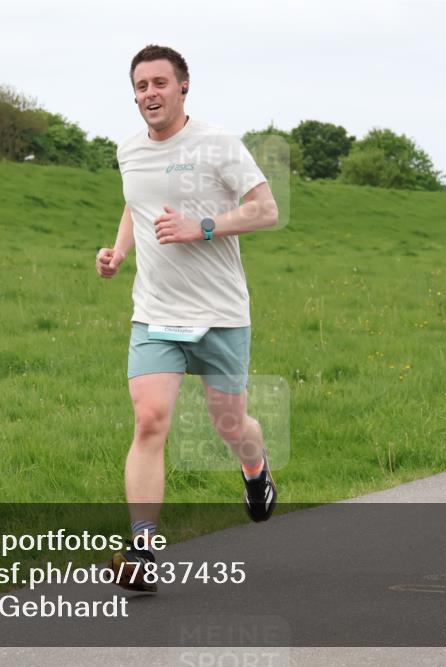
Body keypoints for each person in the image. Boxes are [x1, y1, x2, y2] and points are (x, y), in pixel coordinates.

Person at [96, 44, 279, 592]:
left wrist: (203, 226)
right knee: (150, 420)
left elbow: (266, 210)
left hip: (220, 313)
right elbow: (136, 202)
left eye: (160, 83)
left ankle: (255, 469)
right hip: (156, 313)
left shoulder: (217, 143)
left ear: (183, 87)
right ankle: (144, 550)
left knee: (229, 425)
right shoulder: (129, 150)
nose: (149, 93)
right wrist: (118, 251)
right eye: (141, 85)